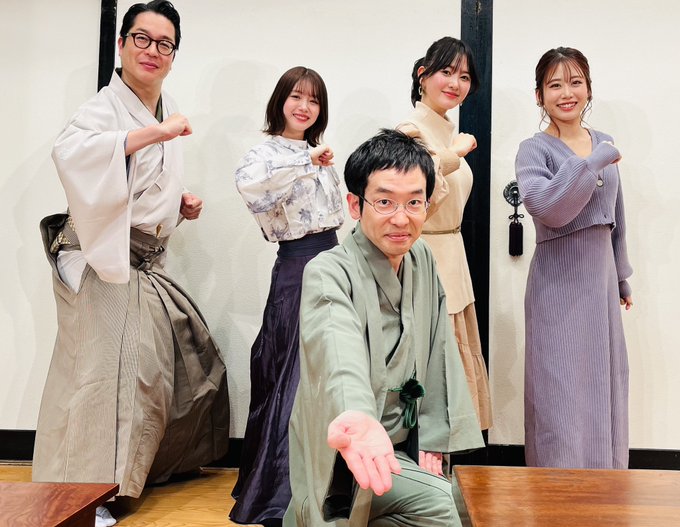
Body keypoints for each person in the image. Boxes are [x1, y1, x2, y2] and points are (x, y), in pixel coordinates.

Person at [32, 2, 230, 525]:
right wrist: (157, 135)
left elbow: (140, 186)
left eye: (164, 44)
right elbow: (72, 154)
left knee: (155, 371)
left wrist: (178, 205)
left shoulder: (162, 108)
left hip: (142, 259)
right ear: (121, 44)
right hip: (101, 258)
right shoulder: (103, 108)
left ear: (174, 56)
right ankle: (84, 498)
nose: (152, 51)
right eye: (142, 38)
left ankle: (134, 475)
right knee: (103, 378)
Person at [283, 129, 483, 526]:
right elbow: (336, 350)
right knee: (446, 502)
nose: (401, 218)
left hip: (403, 441)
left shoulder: (421, 258)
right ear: (355, 205)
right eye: (385, 201)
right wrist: (358, 418)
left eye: (414, 202)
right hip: (350, 447)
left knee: (451, 497)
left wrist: (433, 434)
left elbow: (439, 350)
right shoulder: (329, 271)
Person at [232, 66, 343, 526]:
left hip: (333, 262)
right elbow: (251, 189)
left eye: (314, 100)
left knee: (327, 371)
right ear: (280, 100)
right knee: (292, 375)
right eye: (296, 96)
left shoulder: (320, 153)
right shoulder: (265, 154)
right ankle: (280, 494)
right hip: (297, 268)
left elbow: (335, 213)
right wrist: (307, 162)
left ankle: (325, 486)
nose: (304, 106)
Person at [515, 47, 633, 469]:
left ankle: (605, 485)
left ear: (588, 89)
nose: (567, 93)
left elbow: (615, 214)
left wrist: (621, 275)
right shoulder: (534, 150)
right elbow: (548, 207)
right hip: (557, 283)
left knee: (604, 384)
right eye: (555, 85)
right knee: (559, 390)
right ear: (539, 95)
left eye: (576, 82)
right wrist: (593, 162)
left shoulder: (603, 142)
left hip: (600, 281)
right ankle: (556, 489)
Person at [397, 36, 492, 431]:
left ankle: (442, 459)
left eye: (464, 76)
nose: (455, 83)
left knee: (452, 365)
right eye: (447, 72)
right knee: (427, 365)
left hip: (452, 256)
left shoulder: (445, 131)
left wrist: (453, 148)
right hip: (423, 257)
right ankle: (422, 459)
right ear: (423, 75)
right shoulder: (409, 131)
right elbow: (415, 197)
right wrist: (456, 153)